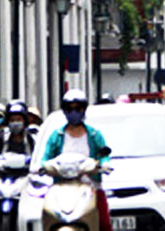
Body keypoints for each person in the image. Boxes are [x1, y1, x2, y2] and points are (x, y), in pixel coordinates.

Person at [42, 89, 111, 231]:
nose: (74, 112)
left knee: (104, 223)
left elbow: (104, 154)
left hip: (90, 186)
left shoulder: (94, 135)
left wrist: (104, 164)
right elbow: (46, 157)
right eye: (69, 108)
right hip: (61, 188)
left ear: (84, 109)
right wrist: (42, 166)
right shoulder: (56, 136)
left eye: (78, 108)